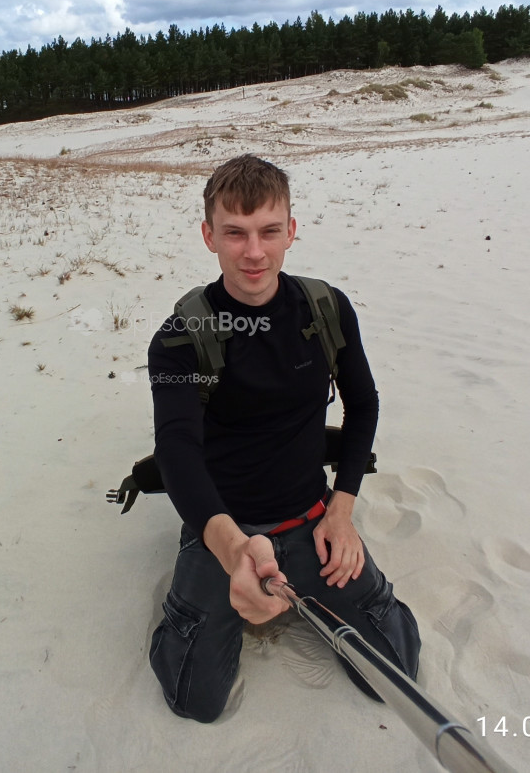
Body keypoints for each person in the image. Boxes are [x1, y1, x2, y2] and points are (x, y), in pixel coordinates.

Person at [146, 154, 421, 723]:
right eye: (235, 233)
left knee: (394, 671)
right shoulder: (180, 338)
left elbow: (363, 405)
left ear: (291, 231)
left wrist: (341, 511)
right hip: (225, 527)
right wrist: (231, 549)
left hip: (311, 515)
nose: (254, 252)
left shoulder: (326, 309)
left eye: (269, 231)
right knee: (195, 700)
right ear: (209, 236)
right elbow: (177, 449)